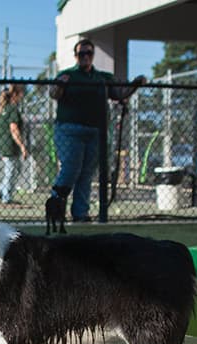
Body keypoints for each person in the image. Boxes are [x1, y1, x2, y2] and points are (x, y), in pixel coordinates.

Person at [49, 38, 145, 221]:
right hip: (70, 130)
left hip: (95, 131)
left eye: (89, 53)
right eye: (81, 53)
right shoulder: (67, 75)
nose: (85, 57)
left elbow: (119, 95)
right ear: (76, 56)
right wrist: (60, 84)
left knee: (86, 173)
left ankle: (80, 213)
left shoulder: (103, 77)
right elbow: (53, 93)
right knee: (70, 168)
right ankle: (56, 205)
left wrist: (135, 85)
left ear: (93, 55)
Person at [0, 84, 28, 204]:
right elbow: (14, 129)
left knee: (15, 168)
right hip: (10, 144)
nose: (22, 96)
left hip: (3, 143)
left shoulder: (4, 109)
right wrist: (22, 146)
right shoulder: (13, 109)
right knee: (11, 170)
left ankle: (1, 190)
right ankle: (6, 197)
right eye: (21, 94)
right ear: (15, 94)